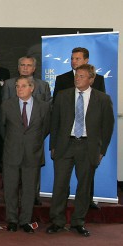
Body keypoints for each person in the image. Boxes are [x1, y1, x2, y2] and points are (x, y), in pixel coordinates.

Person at [47, 64, 114, 237]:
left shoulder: (103, 99)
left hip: (88, 147)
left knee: (84, 187)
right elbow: (54, 123)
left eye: (82, 76)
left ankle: (78, 222)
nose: (77, 78)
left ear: (91, 79)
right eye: (77, 75)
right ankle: (57, 221)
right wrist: (52, 146)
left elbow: (108, 127)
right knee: (60, 185)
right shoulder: (62, 96)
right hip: (64, 146)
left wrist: (102, 150)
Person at [52, 47, 107, 210]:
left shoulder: (98, 80)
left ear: (86, 60)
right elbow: (56, 112)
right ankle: (59, 213)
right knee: (61, 180)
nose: (73, 61)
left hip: (88, 139)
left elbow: (101, 113)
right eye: (72, 58)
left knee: (86, 177)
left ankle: (87, 202)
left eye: (77, 58)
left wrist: (100, 146)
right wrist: (53, 144)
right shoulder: (62, 79)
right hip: (66, 139)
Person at [0, 76, 50, 233]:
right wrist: (14, 142)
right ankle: (12, 220)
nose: (19, 89)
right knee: (10, 188)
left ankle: (25, 221)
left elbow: (46, 128)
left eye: (23, 86)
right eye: (17, 86)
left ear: (32, 88)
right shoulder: (7, 105)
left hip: (33, 153)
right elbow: (2, 129)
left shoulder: (43, 106)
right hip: (11, 153)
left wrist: (32, 142)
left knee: (29, 190)